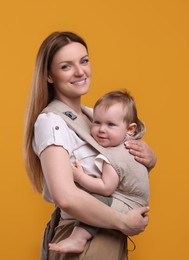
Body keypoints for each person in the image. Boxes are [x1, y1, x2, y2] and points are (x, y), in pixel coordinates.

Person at [23, 31, 157, 260]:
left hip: (109, 234)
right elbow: (66, 197)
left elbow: (119, 168)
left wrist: (150, 158)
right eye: (66, 66)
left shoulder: (94, 117)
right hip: (84, 233)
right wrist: (123, 221)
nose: (80, 72)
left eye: (84, 61)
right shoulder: (52, 122)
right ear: (49, 75)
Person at [48, 90, 150, 254]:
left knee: (98, 200)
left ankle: (78, 239)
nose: (102, 129)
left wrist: (79, 176)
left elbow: (106, 188)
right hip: (137, 202)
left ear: (130, 129)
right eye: (97, 122)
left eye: (110, 125)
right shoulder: (132, 142)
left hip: (130, 205)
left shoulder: (114, 156)